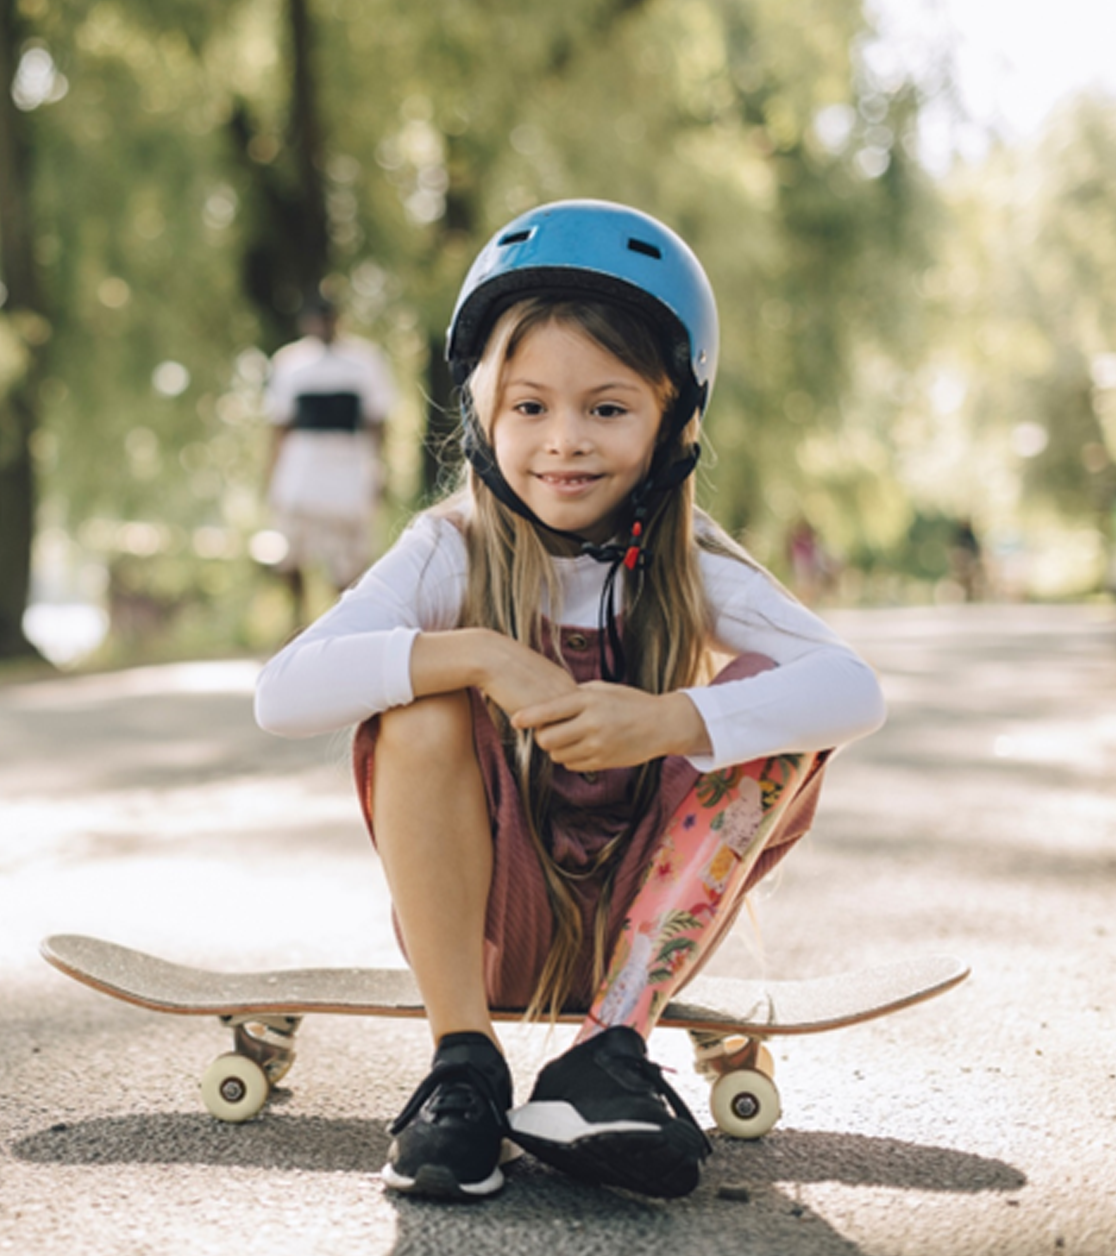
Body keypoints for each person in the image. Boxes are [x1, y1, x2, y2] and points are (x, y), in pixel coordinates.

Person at [252, 200, 886, 1201]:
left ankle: (608, 1057)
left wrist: (676, 717)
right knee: (418, 693)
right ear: (483, 415)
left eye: (608, 406)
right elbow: (282, 693)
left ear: (674, 417)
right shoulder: (448, 549)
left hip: (649, 923)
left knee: (773, 706)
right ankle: (462, 1070)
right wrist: (481, 655)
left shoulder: (688, 557)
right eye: (530, 406)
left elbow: (854, 688)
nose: (565, 442)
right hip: (492, 919)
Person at [262, 293, 397, 629]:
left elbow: (377, 422)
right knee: (292, 552)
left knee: (349, 560)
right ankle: (298, 622)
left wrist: (380, 471)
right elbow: (279, 424)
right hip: (301, 469)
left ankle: (344, 625)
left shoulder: (364, 361)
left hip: (348, 468)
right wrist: (270, 473)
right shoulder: (290, 362)